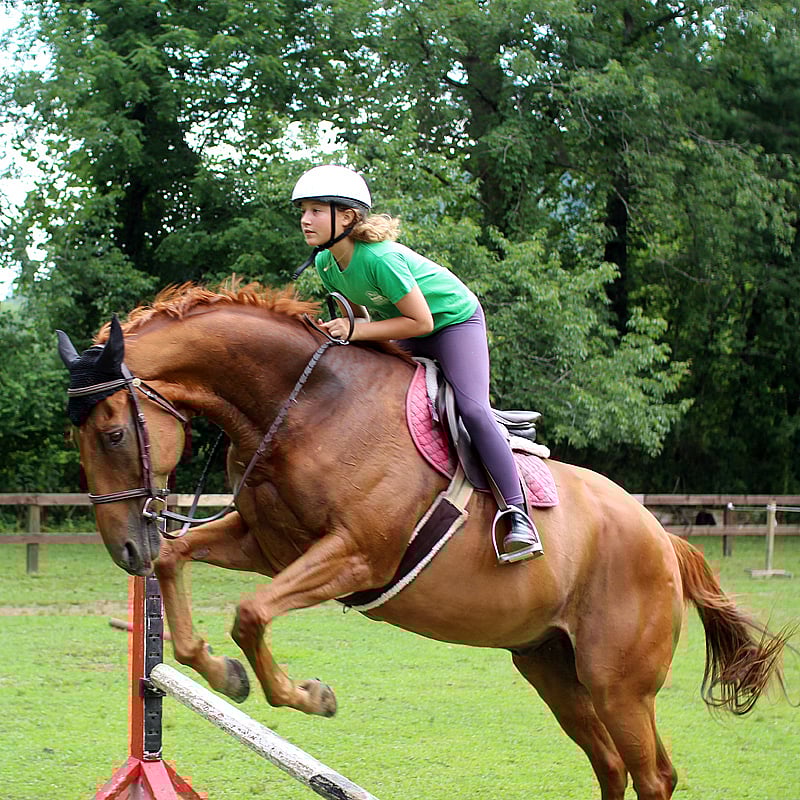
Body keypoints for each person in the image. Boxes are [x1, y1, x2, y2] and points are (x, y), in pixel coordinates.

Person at [292, 164, 542, 563]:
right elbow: (364, 322)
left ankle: (517, 515)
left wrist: (354, 330)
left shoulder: (381, 259)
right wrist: (347, 334)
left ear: (348, 217)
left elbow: (422, 322)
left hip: (453, 322)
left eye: (316, 210)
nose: (306, 219)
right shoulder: (326, 264)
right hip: (408, 325)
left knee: (472, 410)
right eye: (304, 210)